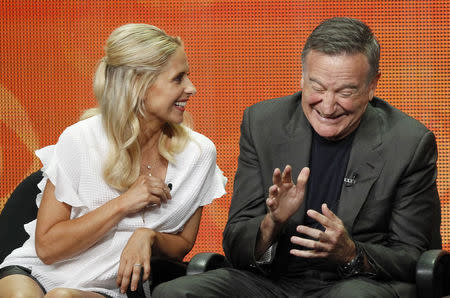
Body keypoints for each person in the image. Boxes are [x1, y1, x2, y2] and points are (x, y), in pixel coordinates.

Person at [152, 17, 440, 297]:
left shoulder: (409, 143)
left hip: (355, 281)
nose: (327, 106)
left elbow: (412, 257)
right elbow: (236, 244)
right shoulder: (263, 123)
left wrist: (350, 253)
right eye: (317, 87)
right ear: (301, 76)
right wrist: (271, 222)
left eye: (345, 91)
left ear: (372, 85)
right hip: (273, 280)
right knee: (176, 292)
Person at [0, 23, 226, 298]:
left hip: (112, 285)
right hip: (41, 272)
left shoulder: (199, 154)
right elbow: (48, 249)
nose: (191, 88)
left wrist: (148, 236)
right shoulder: (80, 139)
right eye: (178, 79)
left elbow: (182, 245)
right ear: (138, 85)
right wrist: (124, 203)